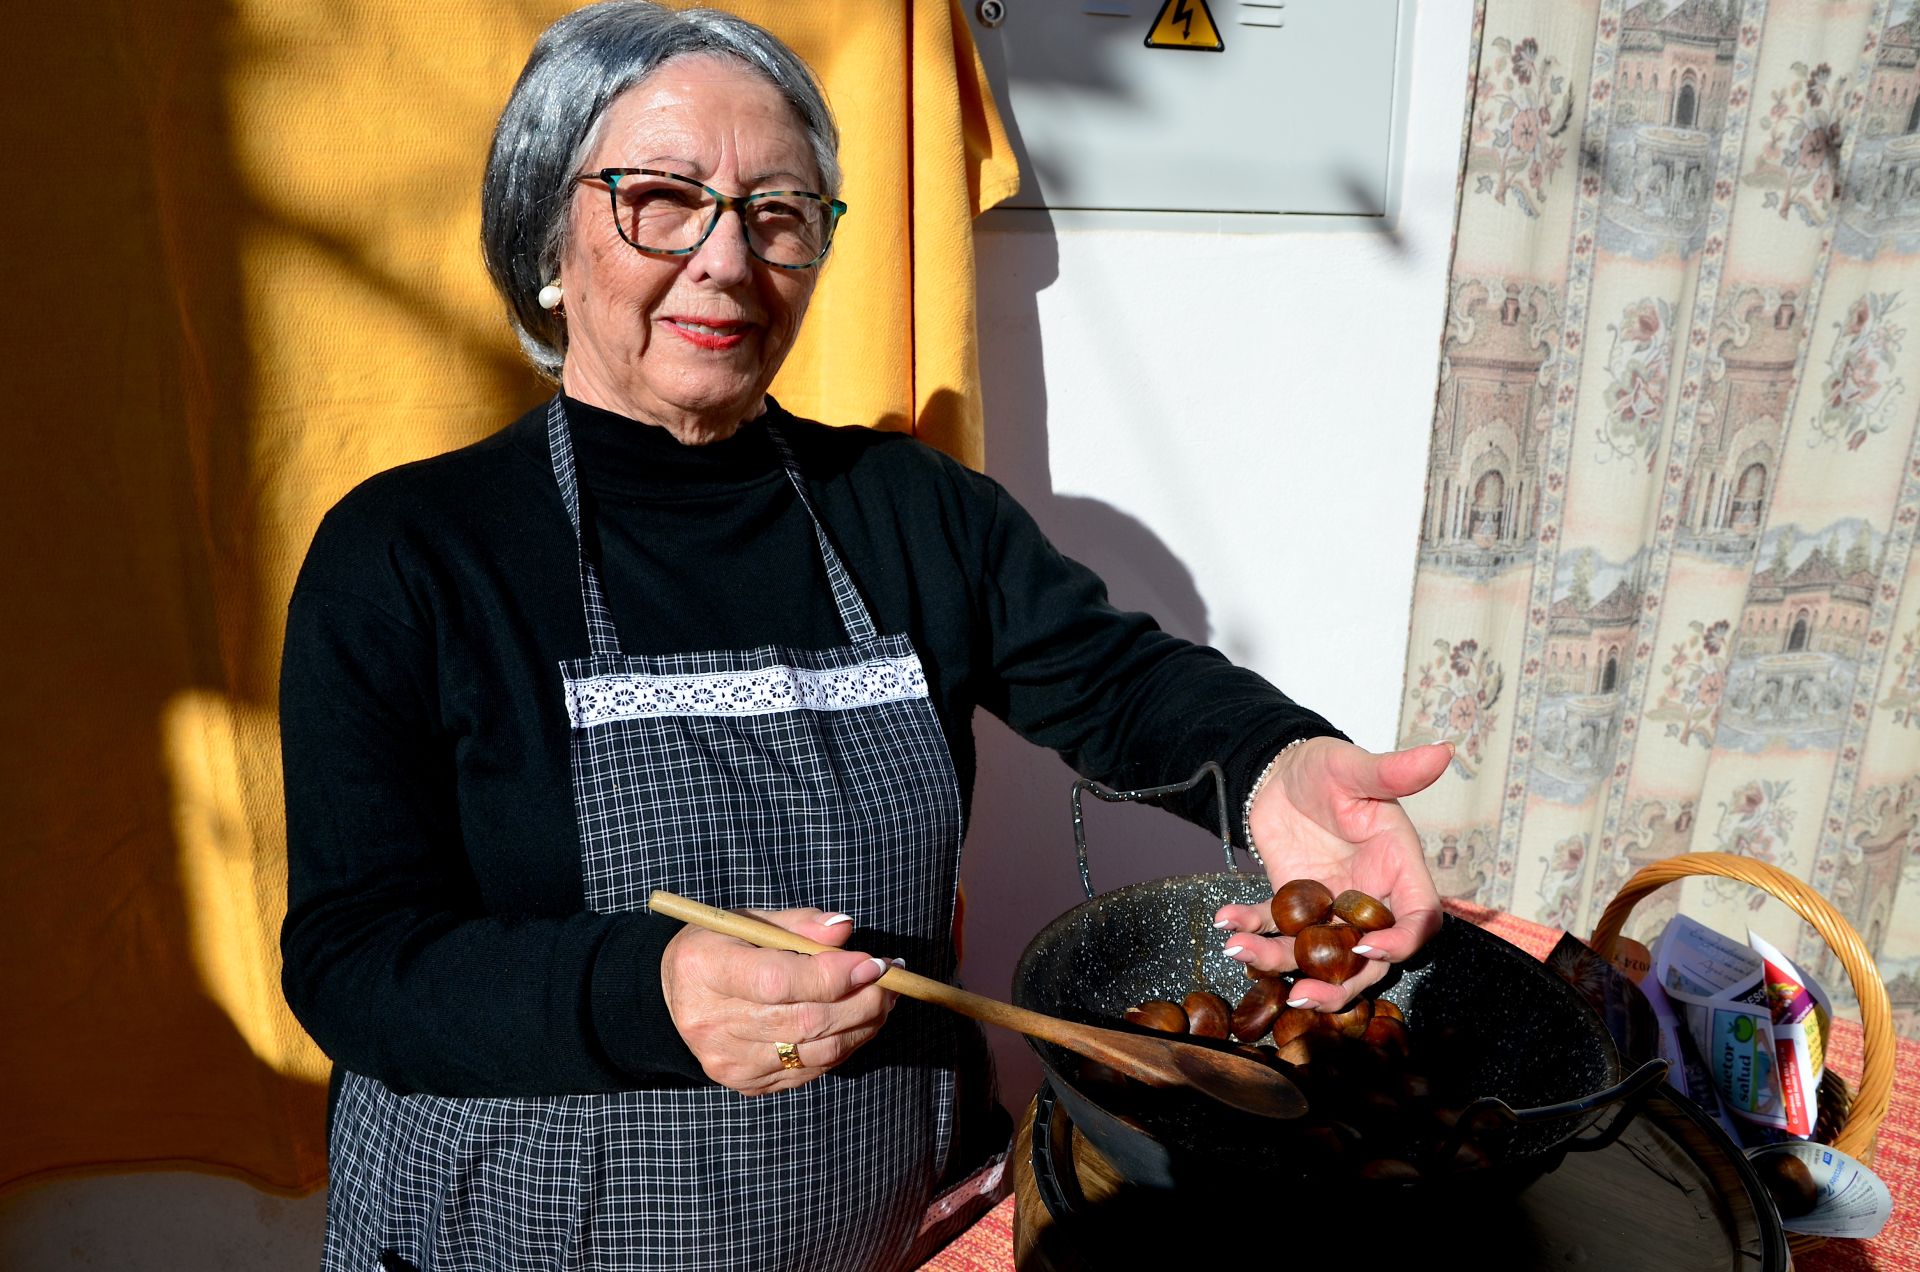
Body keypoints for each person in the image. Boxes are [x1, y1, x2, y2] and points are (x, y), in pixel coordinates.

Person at [277, 4, 1450, 1269]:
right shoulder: (407, 554)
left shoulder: (907, 511)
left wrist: (1277, 767)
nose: (729, 259)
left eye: (778, 214)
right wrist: (646, 994)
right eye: (662, 199)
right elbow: (354, 962)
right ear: (548, 236)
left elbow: (1117, 682)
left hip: (895, 1236)